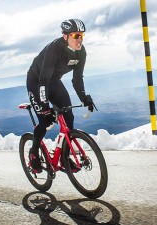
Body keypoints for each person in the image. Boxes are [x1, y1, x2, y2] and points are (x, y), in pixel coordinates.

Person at [26, 19, 95, 173]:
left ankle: (64, 156)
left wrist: (85, 98)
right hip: (36, 81)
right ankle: (33, 152)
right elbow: (43, 82)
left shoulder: (81, 52)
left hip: (54, 82)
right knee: (45, 121)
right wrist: (45, 108)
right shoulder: (54, 49)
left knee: (68, 117)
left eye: (82, 35)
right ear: (65, 36)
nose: (80, 39)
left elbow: (77, 79)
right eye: (76, 35)